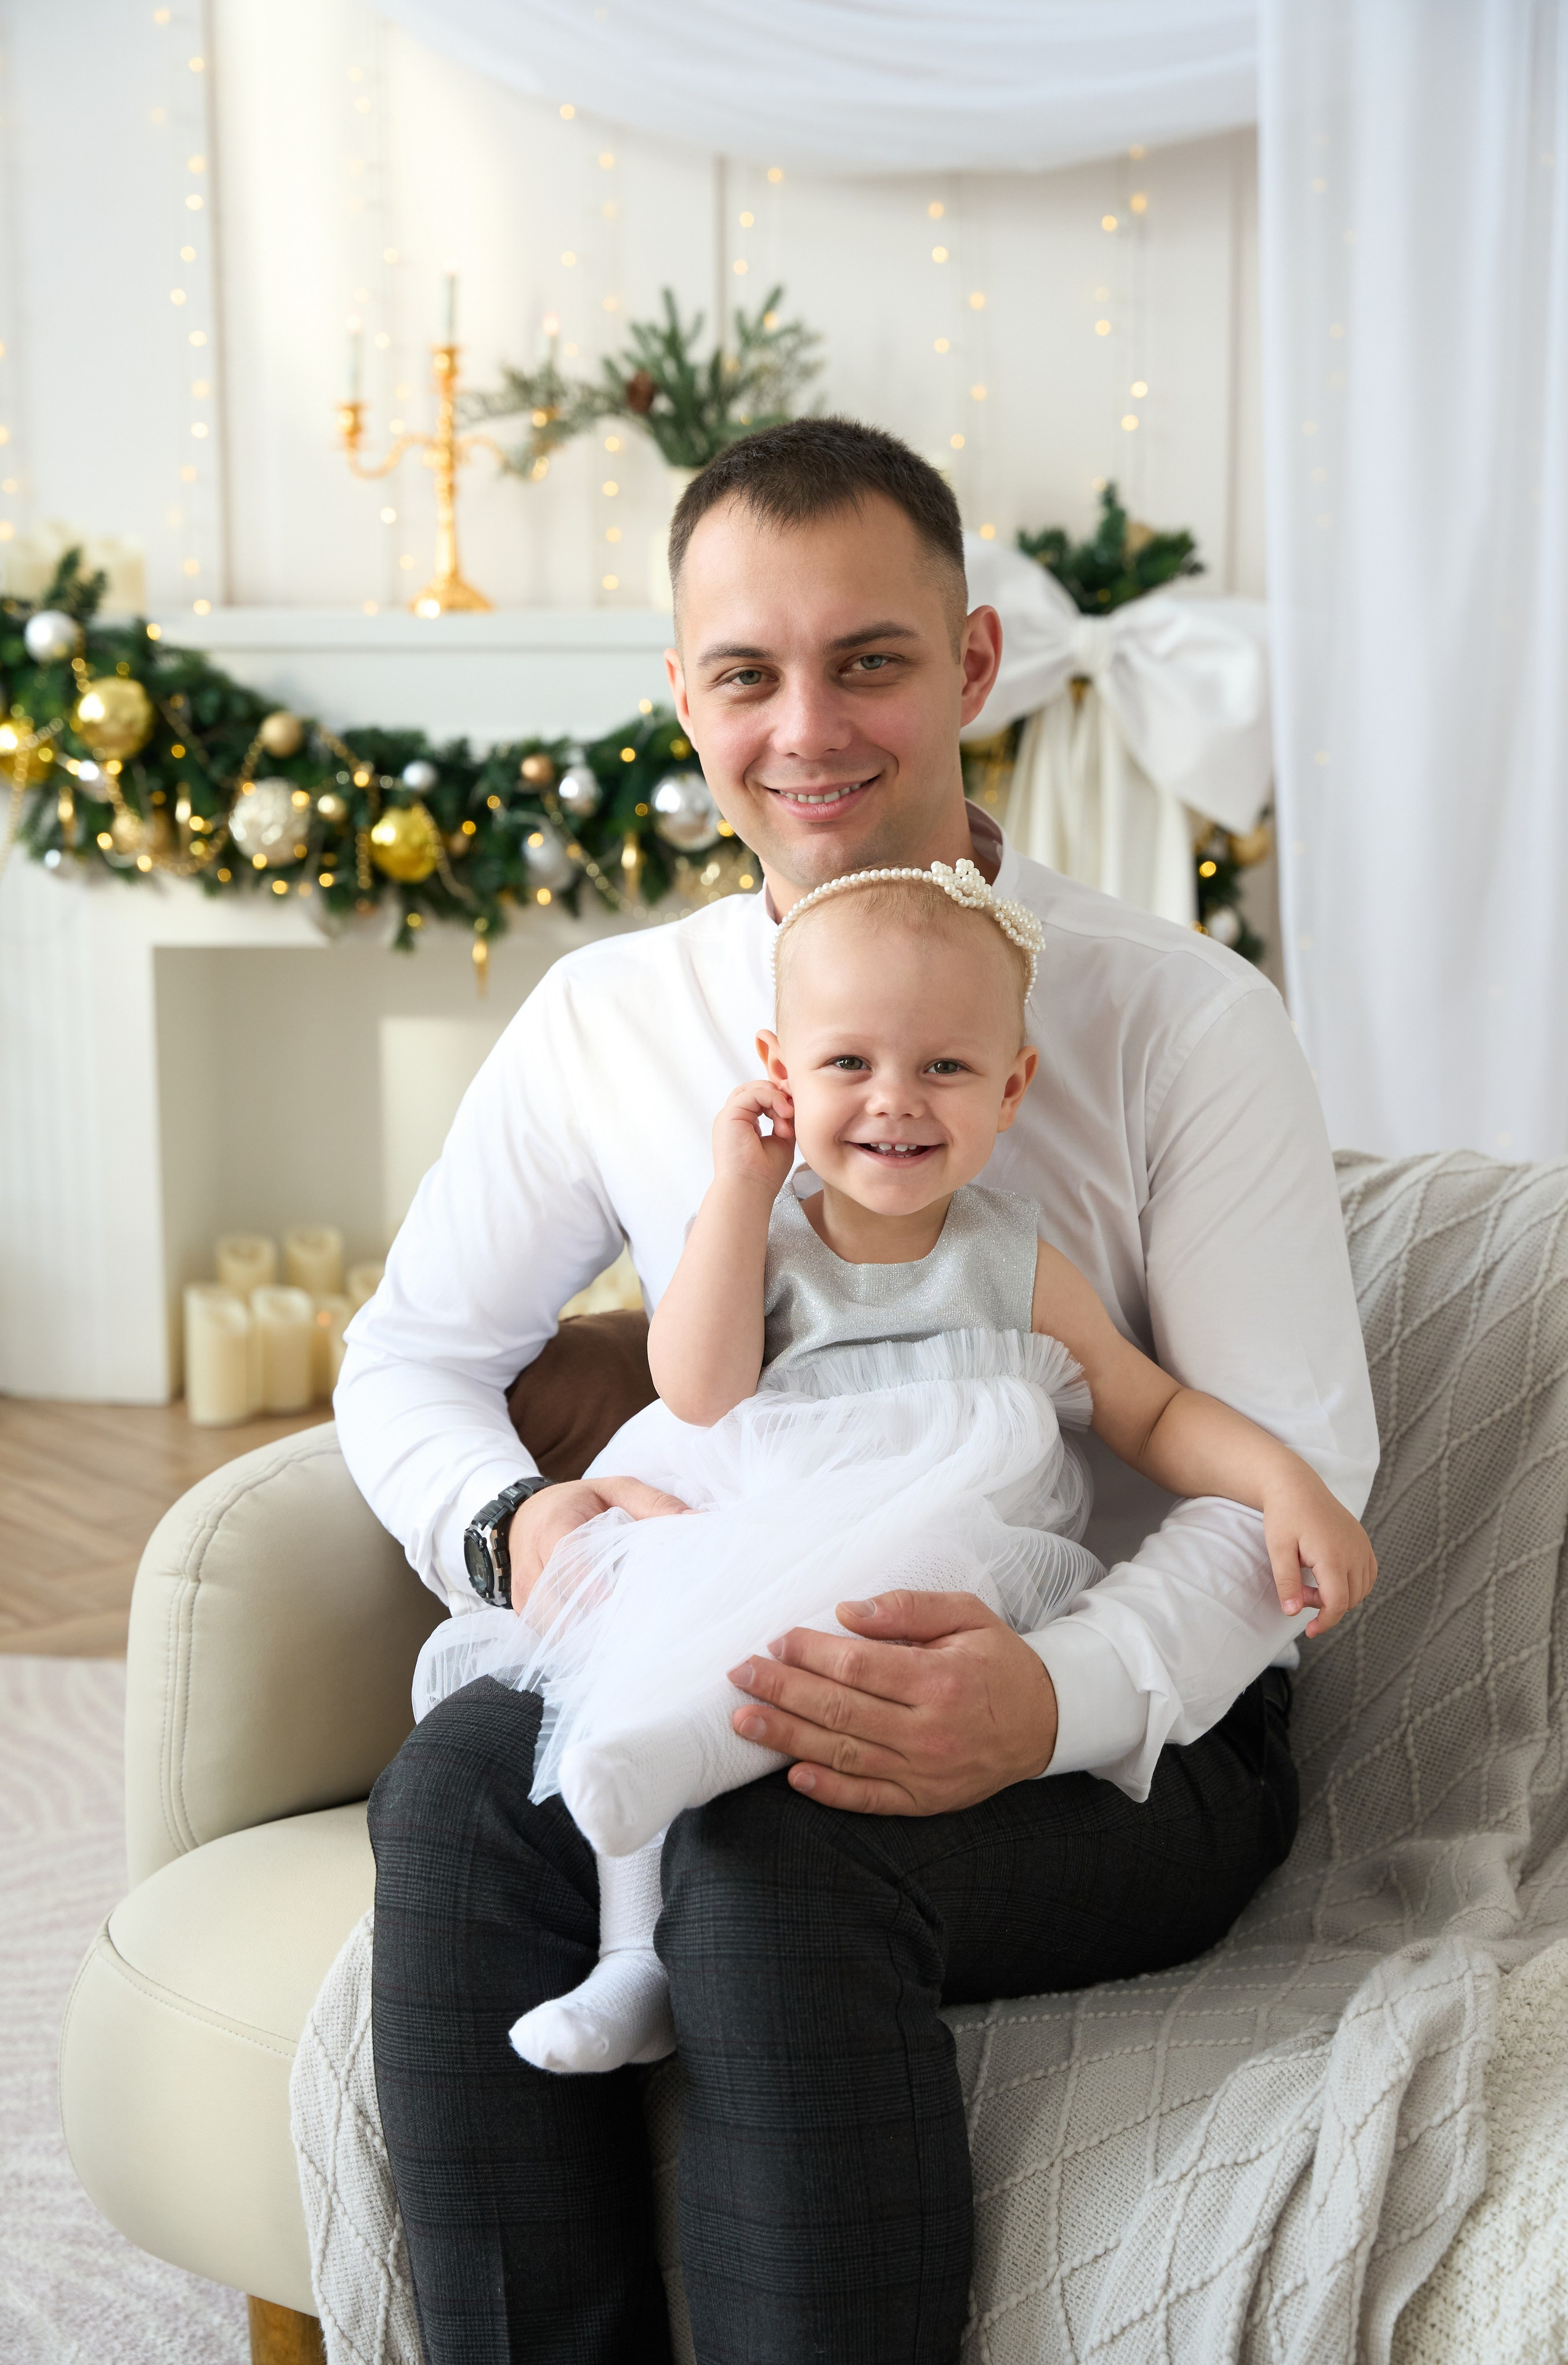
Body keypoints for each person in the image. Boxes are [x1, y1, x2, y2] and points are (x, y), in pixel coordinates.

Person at [336, 415, 1380, 2365]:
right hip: (727, 1615)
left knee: (771, 1846)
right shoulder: (615, 1019)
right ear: (684, 695)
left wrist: (1043, 1706)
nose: (803, 727)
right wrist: (517, 1522)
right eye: (746, 672)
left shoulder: (1178, 1019)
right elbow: (410, 1356)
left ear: (973, 665)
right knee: (466, 1790)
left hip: (1140, 1724)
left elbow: (1276, 1466)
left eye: (869, 661)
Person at [406, 859, 1376, 2087]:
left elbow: (1152, 1409)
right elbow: (698, 1389)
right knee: (659, 1646)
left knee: (808, 1686)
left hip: (934, 1555)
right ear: (781, 1071)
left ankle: (671, 1769)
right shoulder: (765, 1238)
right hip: (762, 1523)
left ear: (1011, 1086)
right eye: (848, 1065)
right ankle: (629, 1954)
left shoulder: (1015, 1261)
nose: (893, 1104)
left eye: (944, 1068)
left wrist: (1284, 1483)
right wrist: (738, 1191)